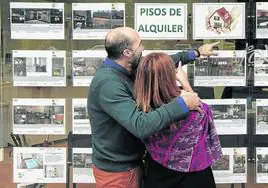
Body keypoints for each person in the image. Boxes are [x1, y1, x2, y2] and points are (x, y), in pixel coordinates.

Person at [87, 26, 219, 188]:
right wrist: (182, 103)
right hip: (118, 172)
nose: (142, 49)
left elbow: (158, 65)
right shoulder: (109, 84)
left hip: (133, 164)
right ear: (127, 53)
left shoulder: (128, 68)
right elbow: (140, 125)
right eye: (139, 45)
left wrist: (195, 53)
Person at [134, 52, 222, 188]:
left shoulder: (141, 110)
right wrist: (185, 82)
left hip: (158, 175)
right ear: (170, 76)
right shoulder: (189, 108)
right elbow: (201, 110)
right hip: (195, 177)